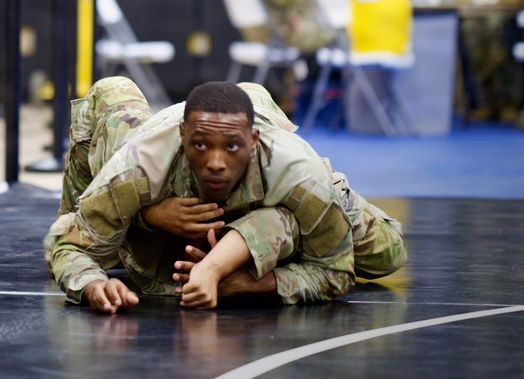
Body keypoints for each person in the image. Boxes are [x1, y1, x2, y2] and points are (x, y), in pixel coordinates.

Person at [44, 77, 406, 314]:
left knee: (387, 255)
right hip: (149, 152)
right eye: (201, 145)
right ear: (184, 137)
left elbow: (336, 273)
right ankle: (90, 209)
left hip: (274, 156)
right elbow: (66, 248)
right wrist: (91, 283)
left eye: (231, 147)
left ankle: (254, 101)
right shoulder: (137, 166)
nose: (216, 163)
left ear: (252, 143)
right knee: (112, 89)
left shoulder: (298, 174)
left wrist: (250, 285)